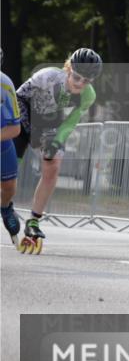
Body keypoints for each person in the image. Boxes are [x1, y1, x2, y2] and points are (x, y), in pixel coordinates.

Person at [13, 48, 102, 253]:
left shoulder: (88, 96)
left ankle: (34, 220)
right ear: (68, 69)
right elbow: (17, 98)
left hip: (49, 125)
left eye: (86, 81)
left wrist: (57, 141)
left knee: (53, 166)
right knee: (9, 170)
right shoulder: (47, 77)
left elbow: (71, 120)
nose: (80, 84)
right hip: (24, 113)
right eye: (77, 77)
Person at [1, 48, 23, 245]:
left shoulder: (5, 84)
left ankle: (6, 207)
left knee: (9, 187)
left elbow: (15, 128)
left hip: (2, 142)